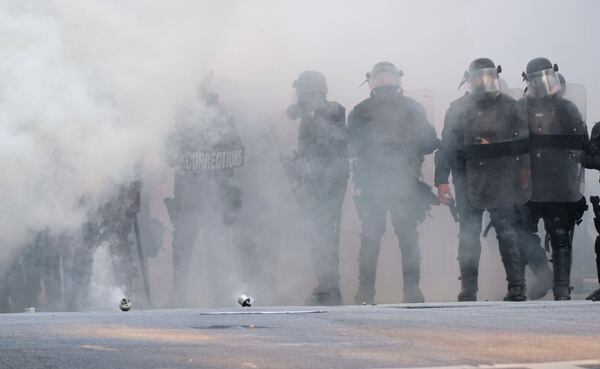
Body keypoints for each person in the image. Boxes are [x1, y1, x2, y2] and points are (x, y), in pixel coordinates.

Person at [436, 58, 531, 301]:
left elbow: (523, 143)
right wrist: (441, 180)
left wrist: (523, 169)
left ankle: (517, 288)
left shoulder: (510, 106)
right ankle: (469, 290)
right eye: (476, 76)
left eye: (485, 75)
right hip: (466, 177)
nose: (481, 81)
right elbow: (446, 146)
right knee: (468, 233)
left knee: (507, 231)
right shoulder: (457, 108)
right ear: (469, 79)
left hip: (502, 177)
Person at [348, 61, 438, 304]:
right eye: (381, 79)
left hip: (404, 182)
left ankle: (412, 291)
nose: (385, 83)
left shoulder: (412, 108)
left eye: (389, 78)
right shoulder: (360, 111)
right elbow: (349, 147)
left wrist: (410, 141)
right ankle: (365, 293)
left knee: (407, 236)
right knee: (370, 237)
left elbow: (430, 141)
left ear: (397, 80)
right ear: (372, 81)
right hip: (372, 183)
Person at [164, 79, 243, 307]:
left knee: (218, 247)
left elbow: (237, 151)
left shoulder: (222, 114)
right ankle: (178, 296)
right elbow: (168, 152)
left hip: (217, 195)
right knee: (182, 247)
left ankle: (223, 296)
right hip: (188, 195)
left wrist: (212, 154)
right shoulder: (181, 115)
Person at [517, 57, 588, 300]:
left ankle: (561, 290)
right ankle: (542, 274)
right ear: (528, 81)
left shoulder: (566, 108)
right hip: (528, 182)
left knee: (560, 235)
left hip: (559, 182)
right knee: (520, 232)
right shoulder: (520, 109)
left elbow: (582, 142)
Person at [286, 71, 349, 305]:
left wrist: (310, 162)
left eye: (303, 89)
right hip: (312, 182)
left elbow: (332, 143)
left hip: (330, 182)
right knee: (316, 232)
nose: (299, 94)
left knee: (325, 232)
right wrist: (298, 161)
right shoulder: (306, 116)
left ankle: (329, 287)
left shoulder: (333, 110)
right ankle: (327, 284)